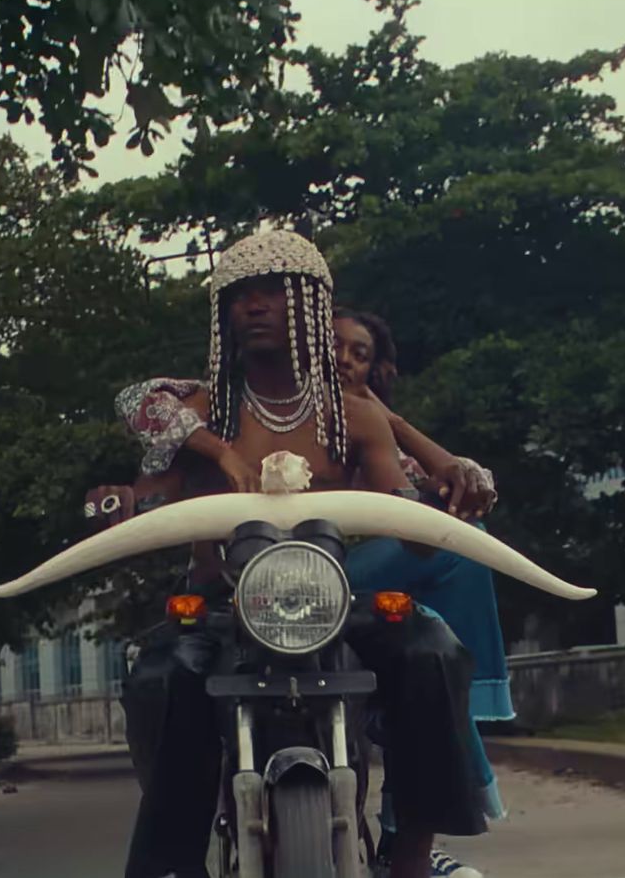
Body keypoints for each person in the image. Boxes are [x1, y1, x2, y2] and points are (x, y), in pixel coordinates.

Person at [92, 230, 488, 878]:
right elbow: (137, 412)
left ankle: (413, 853)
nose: (254, 305)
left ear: (309, 302)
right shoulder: (201, 408)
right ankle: (172, 864)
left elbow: (412, 528)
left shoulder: (353, 414)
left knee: (433, 650)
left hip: (330, 600)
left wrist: (449, 494)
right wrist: (208, 459)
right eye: (241, 295)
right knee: (160, 672)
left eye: (274, 291)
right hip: (223, 602)